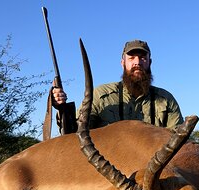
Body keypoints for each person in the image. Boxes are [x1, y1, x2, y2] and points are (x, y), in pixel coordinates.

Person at [51, 39, 183, 133]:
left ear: (150, 62)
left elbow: (179, 141)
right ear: (122, 63)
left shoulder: (166, 99)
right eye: (131, 58)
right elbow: (76, 132)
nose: (137, 62)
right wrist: (62, 109)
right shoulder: (100, 94)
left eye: (142, 58)